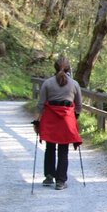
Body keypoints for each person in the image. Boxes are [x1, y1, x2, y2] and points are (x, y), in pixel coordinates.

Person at [34, 56, 82, 190]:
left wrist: (37, 120)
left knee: (50, 147)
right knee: (63, 149)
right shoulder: (74, 84)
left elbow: (41, 104)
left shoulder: (47, 83)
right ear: (68, 68)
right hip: (66, 119)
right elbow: (78, 105)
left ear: (54, 67)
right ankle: (60, 181)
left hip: (50, 119)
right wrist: (75, 117)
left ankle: (49, 176)